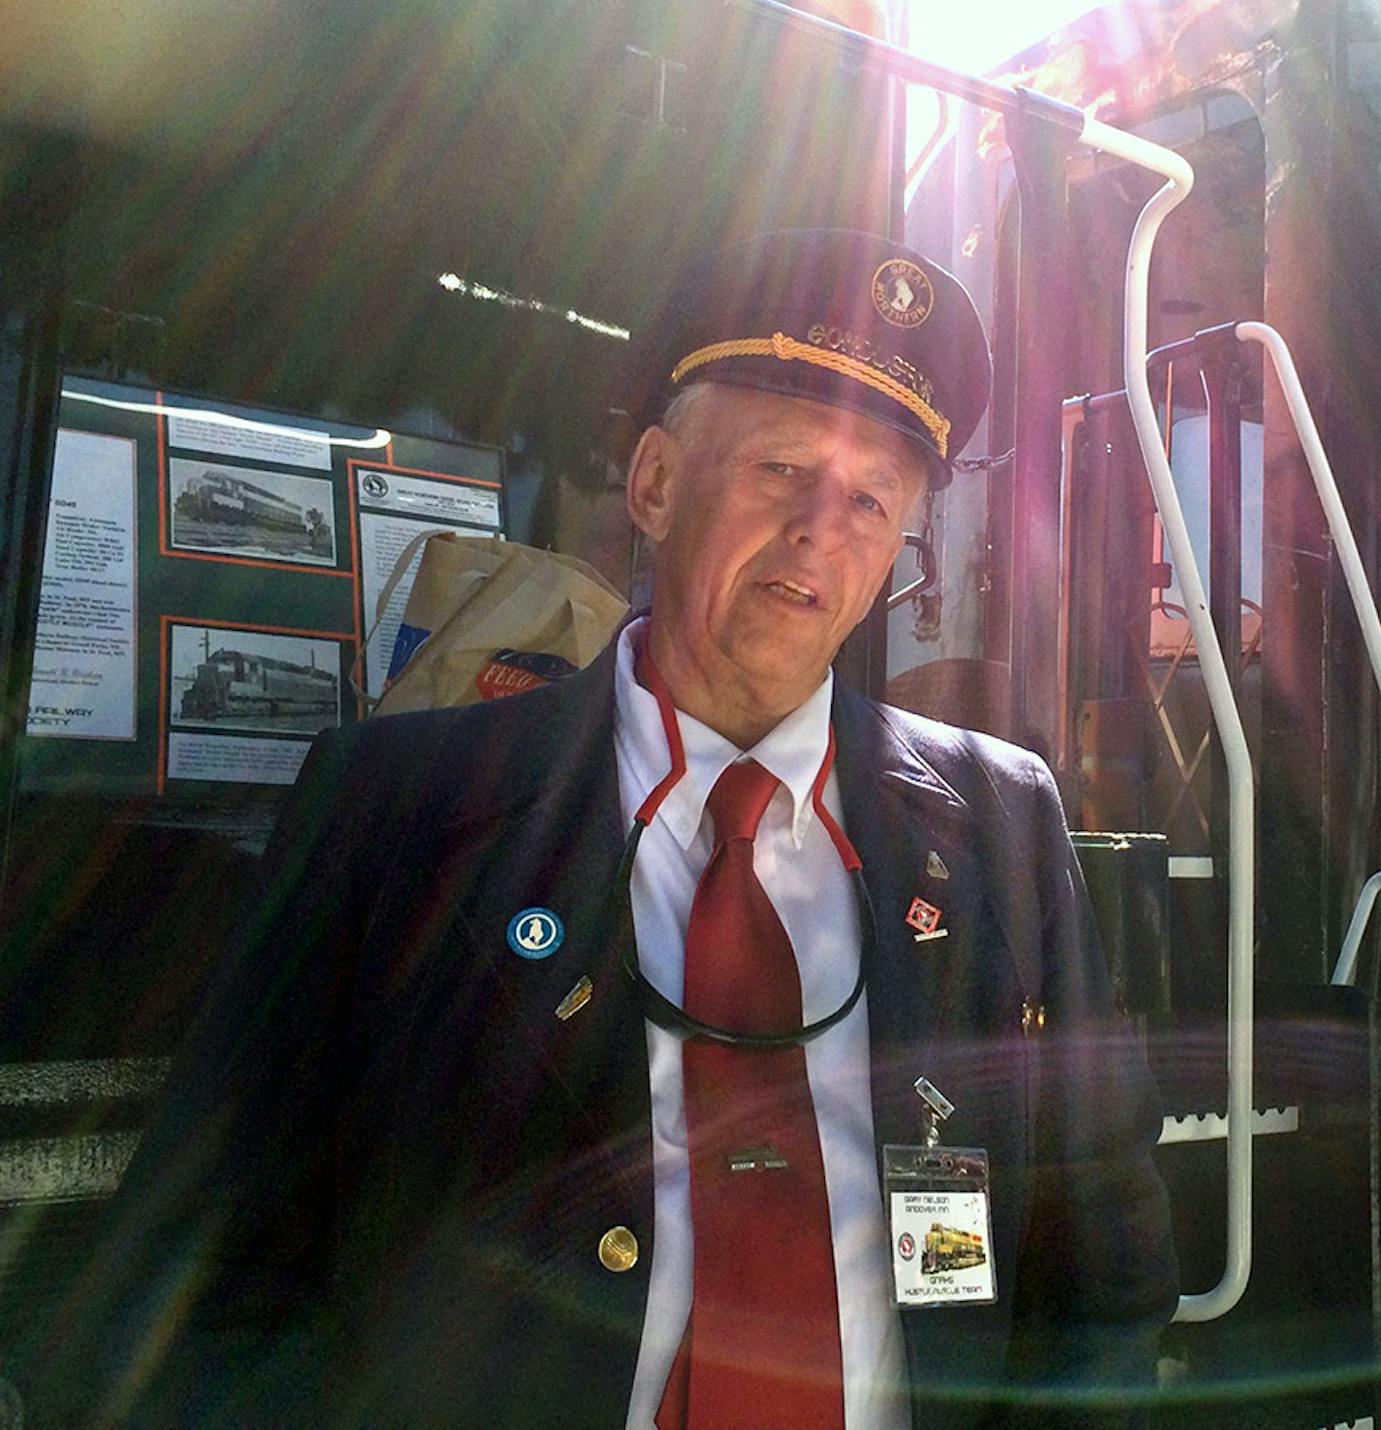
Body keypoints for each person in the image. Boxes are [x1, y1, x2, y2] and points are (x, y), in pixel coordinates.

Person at [56, 230, 1178, 1427]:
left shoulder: (1002, 823)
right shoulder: (395, 811)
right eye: (780, 470)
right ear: (651, 483)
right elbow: (203, 1278)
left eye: (870, 499)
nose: (821, 531)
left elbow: (1098, 1270)